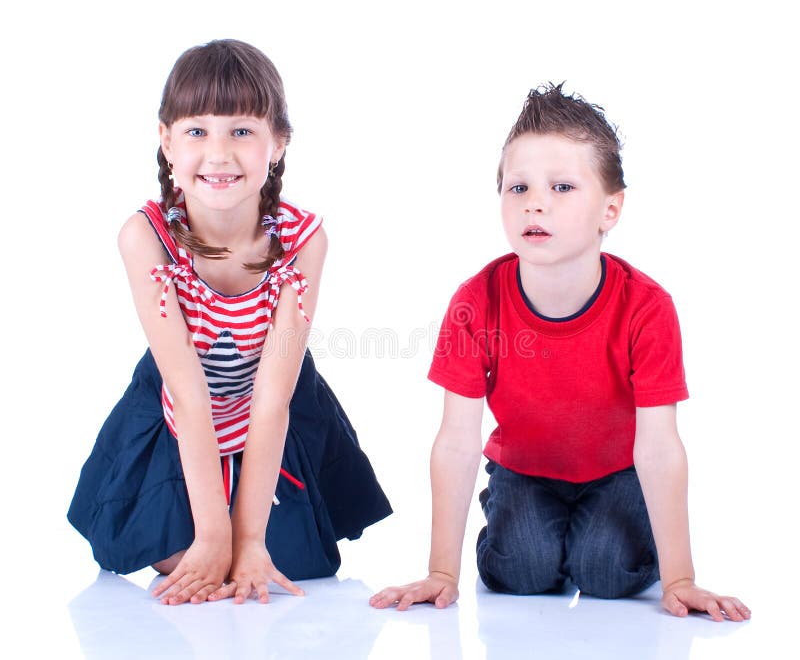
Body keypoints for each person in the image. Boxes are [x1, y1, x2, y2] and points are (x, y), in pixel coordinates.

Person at [370, 84, 749, 621]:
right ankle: (529, 533)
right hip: (525, 471)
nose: (535, 202)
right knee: (520, 573)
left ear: (610, 209)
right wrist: (442, 571)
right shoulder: (475, 302)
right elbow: (456, 440)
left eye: (562, 186)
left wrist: (680, 576)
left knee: (608, 575)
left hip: (618, 472)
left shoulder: (647, 307)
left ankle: (600, 539)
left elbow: (660, 446)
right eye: (517, 187)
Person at [68, 39, 391, 606]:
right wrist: (215, 537)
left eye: (241, 131)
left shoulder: (302, 242)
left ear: (278, 142)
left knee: (283, 561)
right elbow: (189, 397)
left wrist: (247, 540)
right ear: (167, 141)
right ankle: (209, 528)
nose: (218, 154)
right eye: (197, 132)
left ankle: (246, 529)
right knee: (180, 552)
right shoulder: (146, 238)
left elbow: (271, 399)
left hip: (265, 411)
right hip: (177, 415)